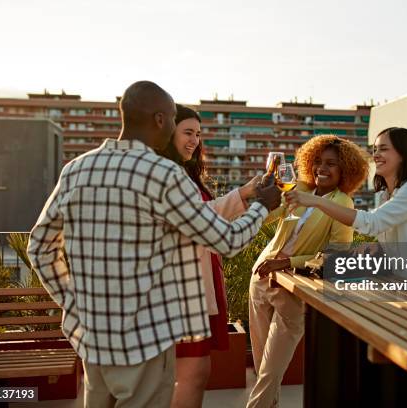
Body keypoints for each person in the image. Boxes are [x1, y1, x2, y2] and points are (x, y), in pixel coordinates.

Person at [27, 81, 282, 408]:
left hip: (91, 334)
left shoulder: (76, 169)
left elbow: (39, 247)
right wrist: (263, 205)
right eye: (175, 119)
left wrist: (73, 302)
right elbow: (227, 240)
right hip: (144, 338)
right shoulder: (163, 174)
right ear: (160, 119)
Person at [285, 127, 407, 408]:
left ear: (404, 154)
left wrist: (315, 201)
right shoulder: (387, 196)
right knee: (402, 366)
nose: (376, 154)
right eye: (375, 148)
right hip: (400, 289)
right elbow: (387, 240)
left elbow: (371, 224)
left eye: (384, 148)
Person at [247, 135, 370, 408]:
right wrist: (265, 196)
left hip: (292, 289)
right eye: (317, 161)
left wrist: (288, 262)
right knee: (262, 370)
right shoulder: (300, 187)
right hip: (260, 278)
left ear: (345, 170)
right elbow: (268, 216)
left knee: (269, 372)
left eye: (331, 164)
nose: (321, 168)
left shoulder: (343, 204)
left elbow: (336, 256)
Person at [158, 104, 261, 408]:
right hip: (181, 287)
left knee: (193, 373)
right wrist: (247, 197)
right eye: (188, 132)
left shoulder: (182, 173)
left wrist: (244, 194)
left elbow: (204, 217)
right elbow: (202, 220)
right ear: (167, 133)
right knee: (193, 372)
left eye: (198, 134)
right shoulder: (168, 175)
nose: (194, 140)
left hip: (194, 280)